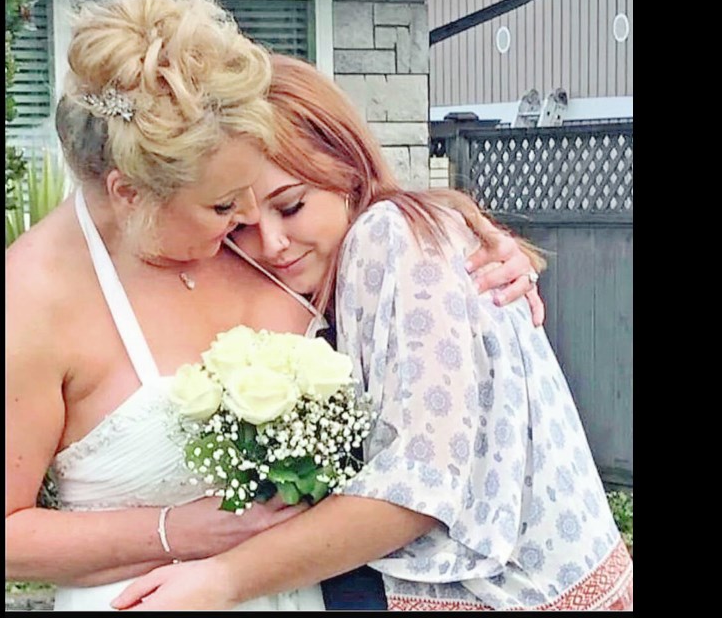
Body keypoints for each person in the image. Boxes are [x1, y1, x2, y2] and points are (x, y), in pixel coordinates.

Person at [5, 0, 545, 612]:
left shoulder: (252, 238)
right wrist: (176, 533)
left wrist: (467, 241)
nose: (251, 224)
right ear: (131, 194)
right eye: (224, 207)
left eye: (263, 199)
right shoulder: (30, 303)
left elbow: (372, 237)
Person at [110, 54, 633, 611]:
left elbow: (421, 482)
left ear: (347, 167)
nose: (270, 243)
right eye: (238, 221)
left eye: (291, 206)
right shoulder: (399, 236)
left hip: (514, 592)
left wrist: (225, 579)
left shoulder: (389, 236)